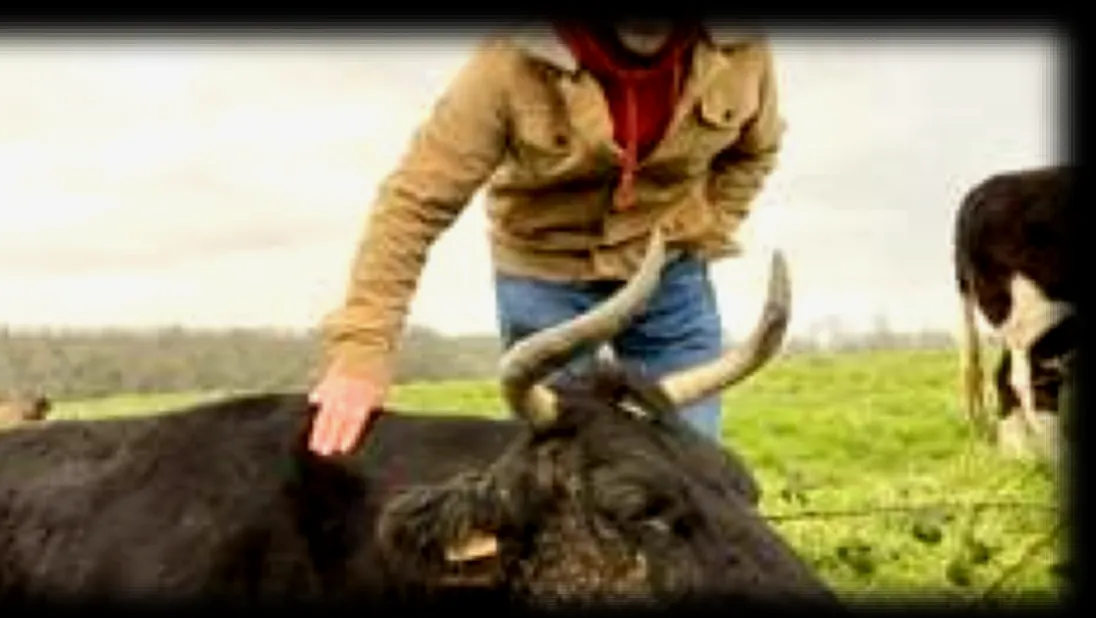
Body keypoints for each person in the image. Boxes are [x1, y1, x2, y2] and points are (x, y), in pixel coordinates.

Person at [307, 19, 786, 456]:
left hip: (670, 276)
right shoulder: (505, 63)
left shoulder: (744, 51)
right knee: (556, 466)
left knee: (691, 458)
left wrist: (703, 229)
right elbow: (413, 204)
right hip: (545, 276)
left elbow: (754, 151)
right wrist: (361, 357)